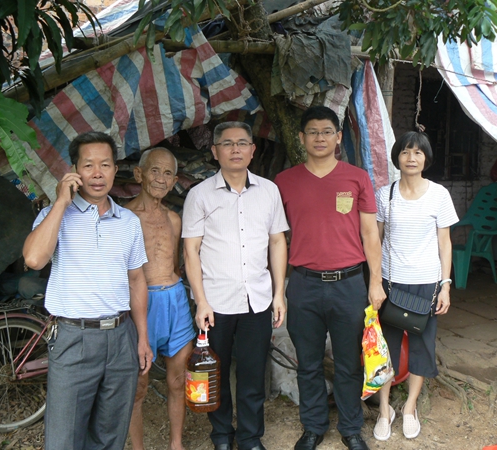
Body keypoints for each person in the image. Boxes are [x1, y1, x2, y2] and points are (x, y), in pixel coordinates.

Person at [22, 131, 152, 450]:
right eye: (88, 165)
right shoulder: (53, 217)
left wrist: (142, 338)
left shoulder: (128, 222)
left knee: (110, 435)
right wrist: (61, 202)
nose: (97, 173)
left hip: (121, 337)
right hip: (73, 338)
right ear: (75, 171)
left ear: (115, 170)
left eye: (105, 165)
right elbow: (34, 259)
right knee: (64, 438)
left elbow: (137, 280)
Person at [274, 106, 386, 450]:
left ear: (338, 137)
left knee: (349, 363)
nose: (319, 138)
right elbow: (276, 238)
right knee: (307, 363)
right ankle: (313, 427)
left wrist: (375, 282)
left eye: (326, 131)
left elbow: (370, 233)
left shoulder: (357, 178)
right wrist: (279, 290)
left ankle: (351, 429)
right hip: (303, 284)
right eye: (312, 132)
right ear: (301, 138)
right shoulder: (284, 182)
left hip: (349, 285)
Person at [182, 122, 289, 450]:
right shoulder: (199, 195)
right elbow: (190, 250)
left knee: (252, 373)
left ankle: (250, 437)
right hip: (215, 303)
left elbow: (277, 241)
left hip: (257, 299)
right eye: (227, 144)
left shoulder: (269, 191)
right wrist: (200, 301)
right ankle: (221, 436)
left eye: (242, 143)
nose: (235, 149)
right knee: (214, 372)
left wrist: (279, 294)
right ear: (215, 151)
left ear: (252, 150)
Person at [373, 131, 457, 442]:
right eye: (406, 152)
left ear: (426, 159)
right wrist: (374, 282)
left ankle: (409, 408)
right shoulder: (385, 195)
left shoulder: (439, 195)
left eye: (418, 152)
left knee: (422, 347)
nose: (411, 158)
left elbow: (445, 243)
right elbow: (375, 240)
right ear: (397, 157)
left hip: (427, 285)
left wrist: (445, 285)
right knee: (386, 350)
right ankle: (384, 410)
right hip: (390, 284)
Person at [125, 147, 196, 450]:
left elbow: (177, 265)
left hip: (175, 301)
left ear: (174, 181)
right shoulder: (125, 217)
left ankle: (176, 444)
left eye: (168, 173)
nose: (160, 178)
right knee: (138, 386)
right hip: (142, 303)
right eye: (154, 170)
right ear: (139, 174)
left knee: (178, 380)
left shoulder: (174, 219)